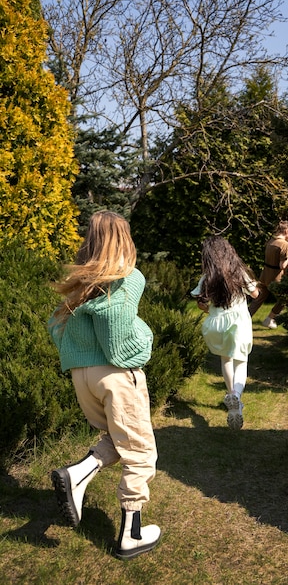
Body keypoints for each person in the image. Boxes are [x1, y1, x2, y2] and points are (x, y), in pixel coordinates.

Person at [48, 210, 160, 560]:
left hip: (82, 374)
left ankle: (78, 475)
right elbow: (119, 338)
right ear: (124, 240)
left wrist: (82, 357)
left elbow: (56, 326)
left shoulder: (81, 283)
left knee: (120, 435)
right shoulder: (129, 277)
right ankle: (131, 535)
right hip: (114, 374)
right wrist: (146, 337)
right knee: (141, 453)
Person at [191, 236, 259, 430]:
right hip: (237, 322)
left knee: (226, 359)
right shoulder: (239, 272)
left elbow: (201, 303)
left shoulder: (207, 278)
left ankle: (231, 396)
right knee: (241, 360)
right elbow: (255, 294)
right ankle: (236, 396)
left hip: (216, 323)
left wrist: (211, 309)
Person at [248, 220, 288, 328]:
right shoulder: (285, 245)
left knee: (258, 298)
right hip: (276, 276)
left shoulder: (271, 241)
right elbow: (282, 266)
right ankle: (270, 318)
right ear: (286, 231)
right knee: (285, 298)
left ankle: (244, 318)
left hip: (265, 274)